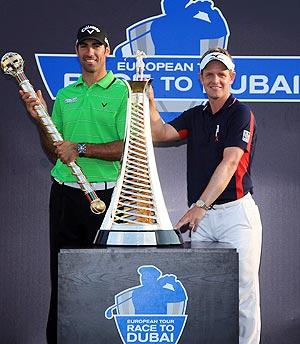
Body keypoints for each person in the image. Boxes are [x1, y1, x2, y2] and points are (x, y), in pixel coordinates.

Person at [20, 24, 128, 343]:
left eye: (97, 46)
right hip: (66, 195)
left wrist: (80, 148)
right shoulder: (67, 94)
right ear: (77, 52)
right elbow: (54, 150)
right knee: (64, 275)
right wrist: (41, 119)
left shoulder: (122, 91)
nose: (90, 52)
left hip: (106, 198)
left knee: (105, 276)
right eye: (84, 46)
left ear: (107, 51)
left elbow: (128, 145)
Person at [149, 47, 262, 344]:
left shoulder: (240, 113)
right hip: (202, 219)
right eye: (209, 74)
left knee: (242, 291)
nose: (215, 80)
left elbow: (230, 163)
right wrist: (147, 99)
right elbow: (160, 133)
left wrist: (200, 205)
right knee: (204, 291)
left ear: (231, 77)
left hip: (235, 215)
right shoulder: (195, 115)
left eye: (221, 74)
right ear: (201, 78)